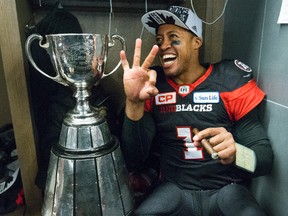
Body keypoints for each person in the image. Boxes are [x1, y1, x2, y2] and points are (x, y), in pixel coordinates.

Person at [120, 5, 273, 216]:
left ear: (196, 42)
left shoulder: (229, 78)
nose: (164, 45)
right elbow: (133, 160)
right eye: (159, 40)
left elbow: (264, 159)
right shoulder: (152, 84)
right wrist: (134, 102)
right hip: (173, 190)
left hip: (227, 189)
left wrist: (238, 153)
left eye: (173, 37)